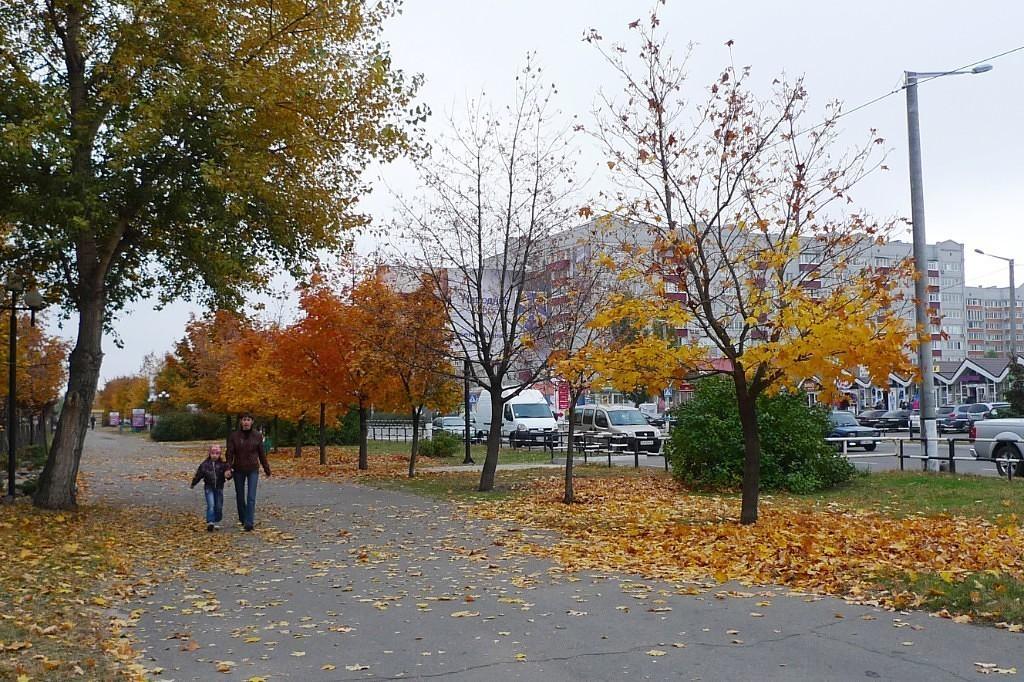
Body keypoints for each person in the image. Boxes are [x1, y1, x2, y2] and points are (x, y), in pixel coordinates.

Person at [226, 413, 271, 532]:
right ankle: (243, 518)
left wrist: (266, 469)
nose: (246, 422)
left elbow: (262, 454)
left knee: (251, 496)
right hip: (238, 469)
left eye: (248, 420)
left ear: (252, 422)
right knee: (240, 496)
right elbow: (229, 453)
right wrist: (228, 468)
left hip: (253, 469)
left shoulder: (257, 436)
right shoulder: (234, 436)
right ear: (241, 422)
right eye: (244, 420)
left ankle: (249, 522)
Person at [190, 444, 232, 532]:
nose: (214, 455)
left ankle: (217, 520)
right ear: (209, 453)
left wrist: (228, 475)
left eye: (217, 453)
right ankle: (210, 522)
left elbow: (228, 475)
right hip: (209, 487)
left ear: (220, 454)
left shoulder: (223, 465)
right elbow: (199, 475)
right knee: (211, 504)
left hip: (219, 487)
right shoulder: (205, 464)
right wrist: (194, 483)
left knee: (219, 505)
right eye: (213, 453)